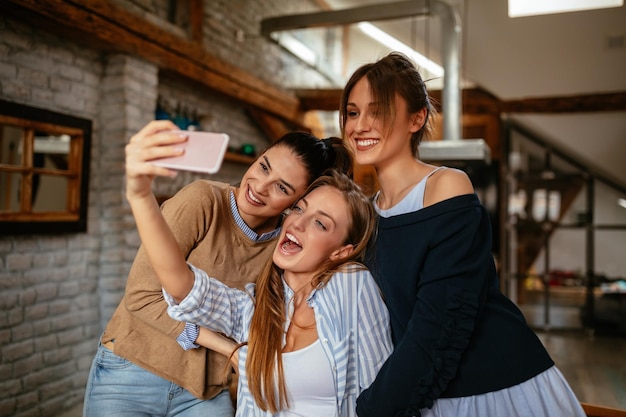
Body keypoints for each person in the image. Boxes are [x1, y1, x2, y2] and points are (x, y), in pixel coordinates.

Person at [339, 52, 586, 417]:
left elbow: (440, 326)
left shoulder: (446, 186)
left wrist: (372, 408)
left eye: (378, 110)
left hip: (493, 386)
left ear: (417, 118)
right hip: (424, 389)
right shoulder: (369, 212)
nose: (359, 125)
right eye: (353, 112)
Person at [83, 119, 354, 417]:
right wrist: (228, 350)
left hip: (206, 390)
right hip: (132, 369)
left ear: (298, 200)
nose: (260, 188)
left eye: (281, 187)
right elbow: (142, 296)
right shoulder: (203, 201)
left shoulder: (286, 249)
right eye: (264, 167)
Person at [129, 165, 393, 417]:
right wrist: (140, 196)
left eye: (320, 224)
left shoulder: (351, 285)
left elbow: (384, 394)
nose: (298, 224)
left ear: (341, 252)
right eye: (299, 209)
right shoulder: (254, 307)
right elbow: (182, 287)